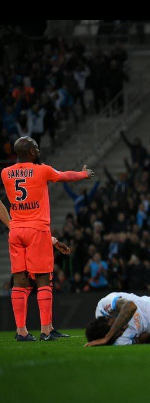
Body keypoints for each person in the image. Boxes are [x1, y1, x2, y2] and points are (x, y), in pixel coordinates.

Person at [1, 136, 95, 341]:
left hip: (16, 230)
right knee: (43, 279)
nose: (39, 149)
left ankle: (21, 331)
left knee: (20, 281)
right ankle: (45, 330)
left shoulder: (5, 173)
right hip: (37, 229)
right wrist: (83, 174)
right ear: (32, 152)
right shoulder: (41, 170)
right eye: (36, 147)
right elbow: (65, 176)